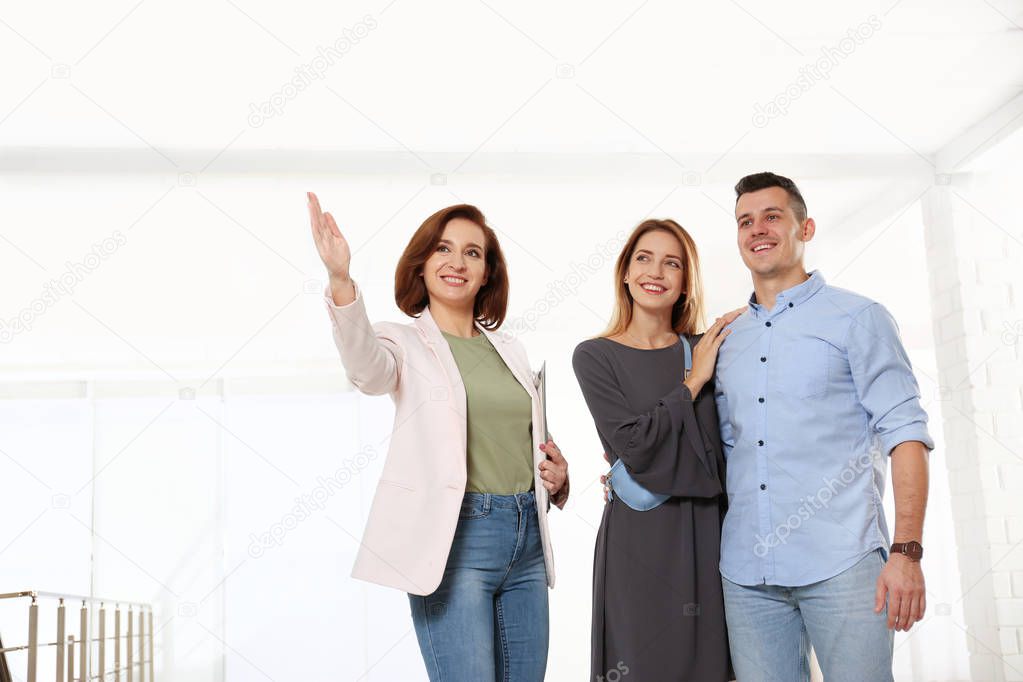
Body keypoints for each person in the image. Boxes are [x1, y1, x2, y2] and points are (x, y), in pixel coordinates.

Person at [308, 193, 570, 681]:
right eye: (443, 249)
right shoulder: (401, 342)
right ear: (422, 265)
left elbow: (522, 439)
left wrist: (557, 474)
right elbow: (366, 371)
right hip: (457, 542)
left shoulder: (510, 349)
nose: (457, 262)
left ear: (487, 271)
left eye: (473, 252)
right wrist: (341, 280)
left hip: (527, 541)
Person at [714, 172, 933, 682]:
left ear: (804, 227)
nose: (757, 229)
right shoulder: (726, 339)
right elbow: (723, 448)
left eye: (772, 216)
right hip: (748, 574)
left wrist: (906, 552)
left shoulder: (859, 318)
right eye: (746, 221)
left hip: (844, 563)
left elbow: (906, 434)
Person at [572, 218, 740, 681]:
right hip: (640, 542)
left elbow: (730, 448)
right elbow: (635, 445)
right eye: (644, 258)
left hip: (709, 533)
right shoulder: (594, 356)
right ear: (625, 272)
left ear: (685, 282)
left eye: (672, 263)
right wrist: (693, 383)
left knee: (713, 666)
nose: (656, 272)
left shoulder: (708, 346)